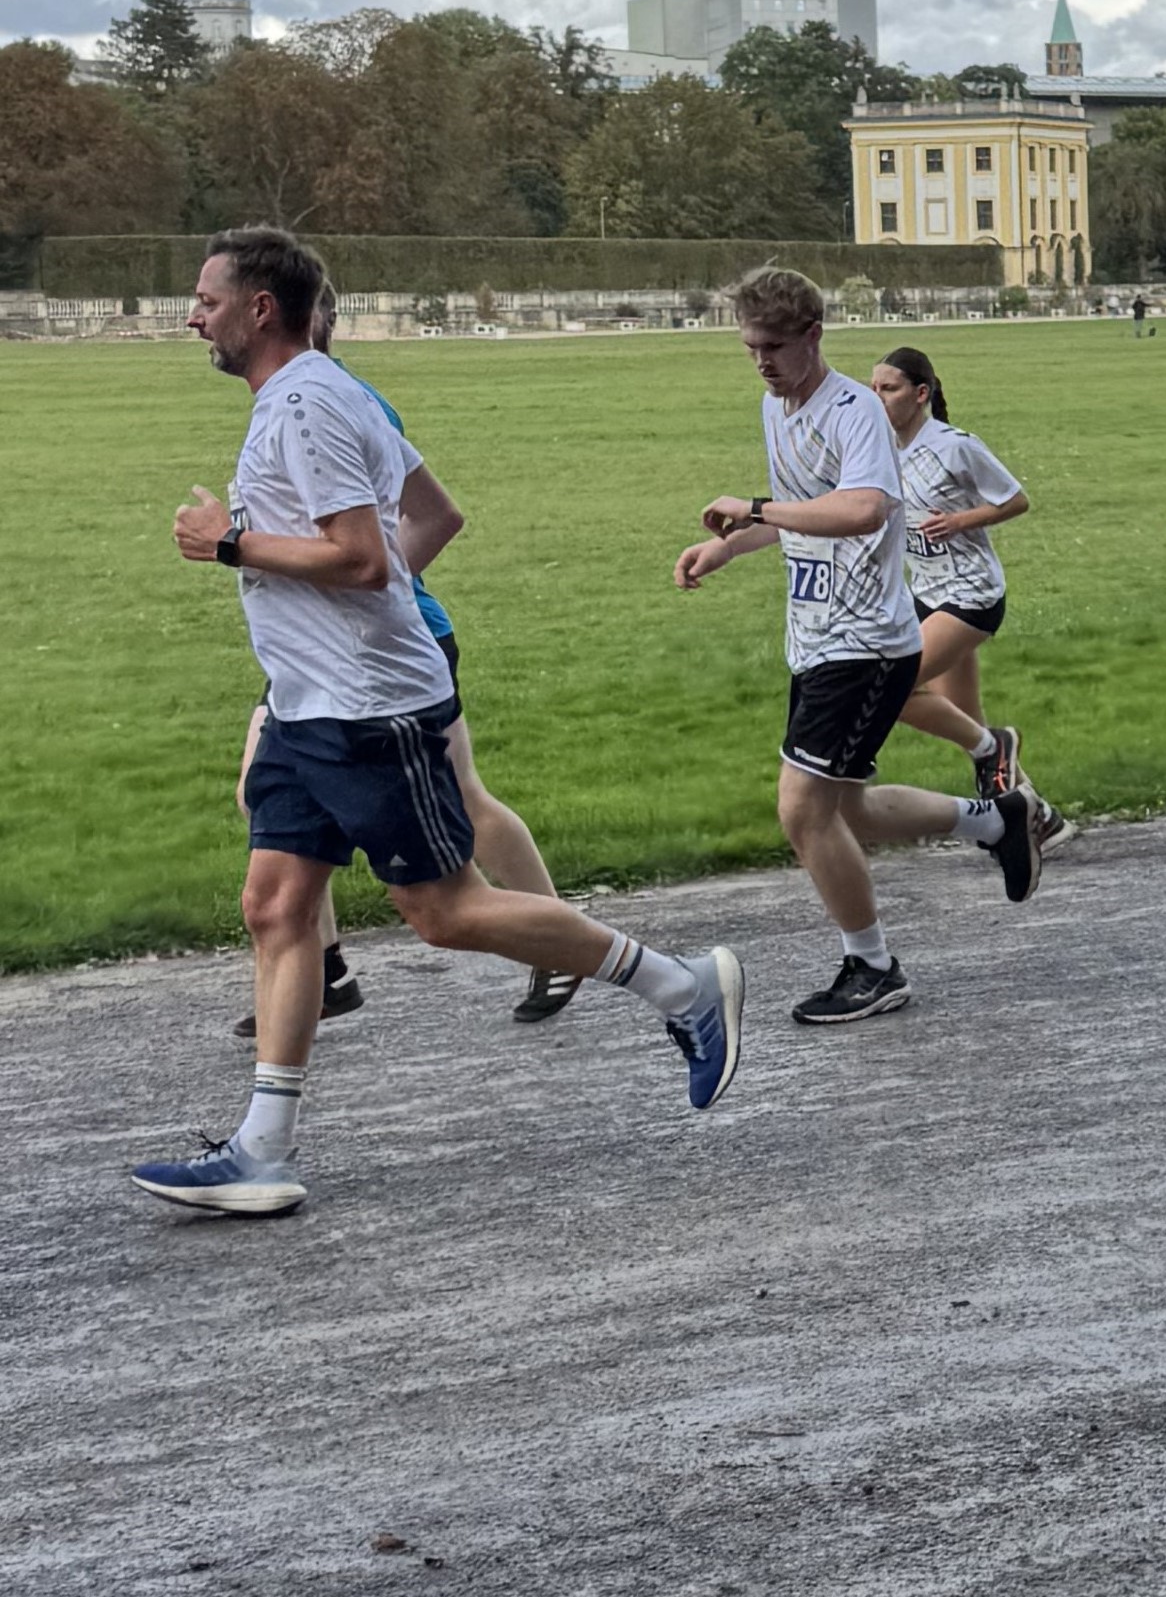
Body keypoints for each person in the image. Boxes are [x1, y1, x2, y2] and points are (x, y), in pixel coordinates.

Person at [135, 227, 743, 1219]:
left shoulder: (312, 407)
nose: (191, 313)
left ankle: (684, 987)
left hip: (368, 711)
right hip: (304, 704)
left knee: (444, 910)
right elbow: (430, 516)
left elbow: (366, 558)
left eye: (206, 298)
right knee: (276, 907)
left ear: (259, 308)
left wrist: (231, 542)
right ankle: (261, 1149)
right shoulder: (320, 396)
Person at [673, 267, 1036, 1025]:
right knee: (851, 813)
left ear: (813, 336)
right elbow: (805, 514)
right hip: (813, 636)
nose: (762, 362)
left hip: (864, 640)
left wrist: (755, 505)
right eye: (750, 349)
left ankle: (872, 967)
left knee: (802, 811)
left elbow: (867, 508)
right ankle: (999, 822)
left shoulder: (854, 413)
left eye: (774, 346)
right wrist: (734, 546)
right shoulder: (779, 408)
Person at [230, 292, 581, 1043]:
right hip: (321, 651)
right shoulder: (301, 397)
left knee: (464, 815)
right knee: (262, 798)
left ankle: (564, 945)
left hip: (385, 652)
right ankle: (321, 971)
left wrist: (383, 595)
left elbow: (416, 526)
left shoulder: (337, 401)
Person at [869, 345, 1065, 846]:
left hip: (971, 596)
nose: (878, 397)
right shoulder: (882, 449)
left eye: (887, 389)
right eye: (873, 388)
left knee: (892, 687)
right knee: (967, 724)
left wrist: (960, 520)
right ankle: (1038, 818)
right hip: (926, 593)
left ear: (920, 394)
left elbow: (1015, 500)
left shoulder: (954, 445)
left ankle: (997, 747)